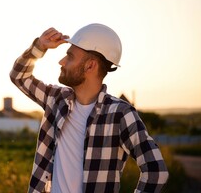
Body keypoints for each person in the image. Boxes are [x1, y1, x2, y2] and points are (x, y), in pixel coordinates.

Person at [9, 24, 169, 193]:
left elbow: (156, 171)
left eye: (69, 57)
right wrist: (39, 47)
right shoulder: (56, 99)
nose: (61, 61)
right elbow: (19, 76)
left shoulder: (120, 114)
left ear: (90, 66)